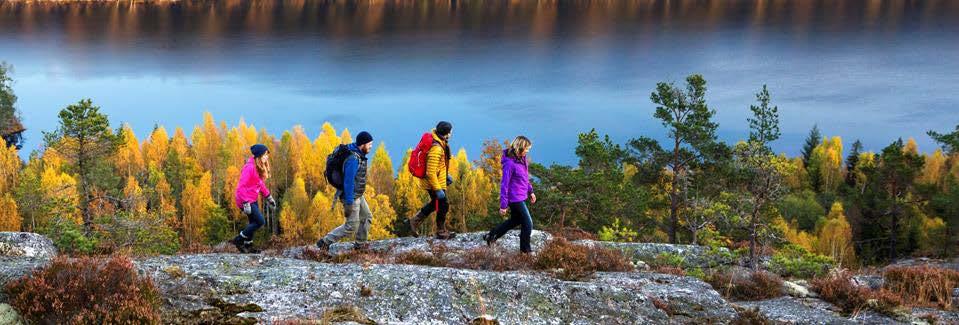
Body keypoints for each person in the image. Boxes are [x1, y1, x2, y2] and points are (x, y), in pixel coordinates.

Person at [316, 131, 375, 251]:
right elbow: (348, 182)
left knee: (367, 217)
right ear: (362, 144)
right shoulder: (353, 159)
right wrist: (349, 203)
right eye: (369, 144)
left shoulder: (356, 151)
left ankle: (360, 245)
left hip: (358, 193)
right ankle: (324, 242)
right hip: (351, 196)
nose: (371, 147)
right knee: (351, 226)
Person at [483, 136, 536, 253]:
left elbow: (525, 178)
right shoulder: (510, 164)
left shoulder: (522, 159)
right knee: (528, 223)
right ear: (520, 148)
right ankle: (525, 252)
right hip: (514, 198)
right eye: (527, 148)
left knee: (515, 220)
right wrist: (503, 205)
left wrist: (530, 191)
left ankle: (491, 236)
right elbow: (504, 185)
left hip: (521, 196)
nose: (528, 151)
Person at [408, 121, 456, 239]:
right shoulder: (437, 148)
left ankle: (414, 221)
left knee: (436, 204)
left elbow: (438, 165)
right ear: (446, 133)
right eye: (450, 132)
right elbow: (430, 172)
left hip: (438, 179)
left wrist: (445, 175)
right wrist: (438, 189)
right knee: (443, 205)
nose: (451, 134)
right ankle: (440, 231)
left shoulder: (440, 141)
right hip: (433, 183)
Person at [232, 144, 276, 253]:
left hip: (252, 198)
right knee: (260, 221)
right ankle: (239, 239)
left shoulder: (258, 167)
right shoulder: (249, 168)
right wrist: (246, 203)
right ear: (259, 156)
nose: (267, 157)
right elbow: (241, 187)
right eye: (265, 155)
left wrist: (268, 197)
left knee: (253, 221)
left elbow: (260, 184)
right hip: (244, 199)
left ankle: (248, 246)